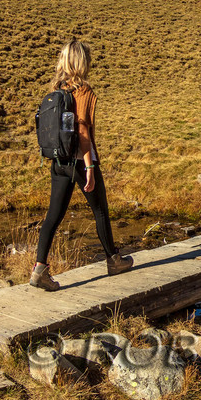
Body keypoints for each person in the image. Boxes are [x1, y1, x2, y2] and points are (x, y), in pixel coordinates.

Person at [28, 40, 133, 290]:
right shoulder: (83, 91)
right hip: (80, 161)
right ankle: (113, 260)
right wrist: (90, 168)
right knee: (100, 211)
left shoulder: (56, 90)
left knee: (53, 217)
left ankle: (39, 269)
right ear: (82, 62)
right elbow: (82, 129)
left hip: (58, 161)